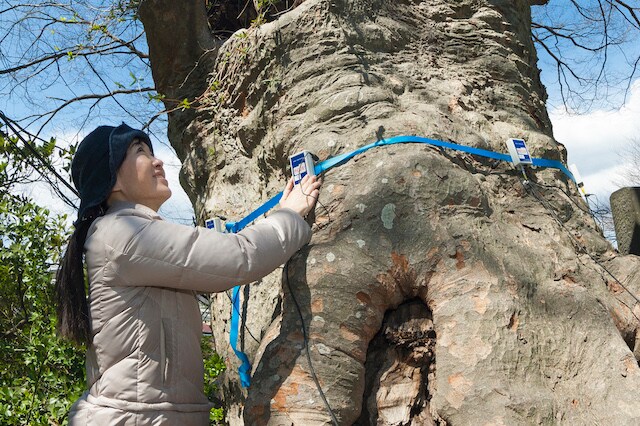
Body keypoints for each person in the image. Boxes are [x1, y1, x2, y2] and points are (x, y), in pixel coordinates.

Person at [55, 123, 321, 425]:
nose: (158, 161)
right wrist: (289, 215)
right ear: (111, 179)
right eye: (140, 152)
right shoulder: (123, 234)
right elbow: (239, 257)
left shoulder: (127, 233)